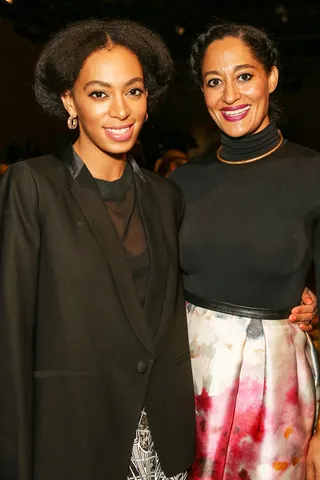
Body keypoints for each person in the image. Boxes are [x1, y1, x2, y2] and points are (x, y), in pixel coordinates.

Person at [0, 19, 195, 480]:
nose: (121, 110)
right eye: (99, 93)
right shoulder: (32, 186)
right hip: (75, 435)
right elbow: (10, 334)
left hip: (162, 440)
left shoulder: (165, 197)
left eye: (133, 91)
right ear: (70, 101)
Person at [170, 22, 320, 480]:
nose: (230, 95)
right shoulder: (180, 183)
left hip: (276, 393)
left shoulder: (312, 174)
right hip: (186, 383)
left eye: (245, 76)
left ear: (271, 78)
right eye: (215, 81)